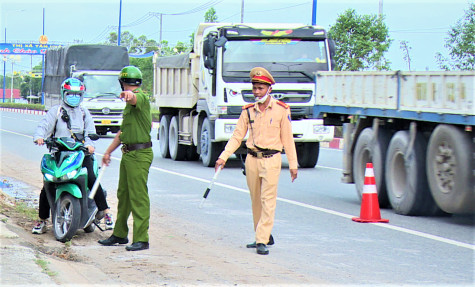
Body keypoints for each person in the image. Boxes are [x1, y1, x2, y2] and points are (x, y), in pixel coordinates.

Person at [215, 67, 298, 255]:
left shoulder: (281, 110)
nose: (257, 92)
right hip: (252, 159)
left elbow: (287, 139)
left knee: (268, 200)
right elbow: (237, 136)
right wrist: (223, 156)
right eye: (255, 88)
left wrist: (293, 164)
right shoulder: (248, 111)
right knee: (256, 201)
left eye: (260, 88)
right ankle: (263, 234)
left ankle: (262, 240)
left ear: (269, 89)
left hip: (272, 159)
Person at [32, 77, 114, 234]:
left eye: (77, 94)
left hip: (80, 154)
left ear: (82, 96)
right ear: (64, 93)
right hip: (59, 154)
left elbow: (91, 133)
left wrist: (90, 145)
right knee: (48, 183)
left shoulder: (84, 113)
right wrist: (39, 137)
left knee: (91, 177)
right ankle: (42, 220)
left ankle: (106, 212)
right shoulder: (55, 111)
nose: (74, 97)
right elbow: (43, 126)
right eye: (70, 93)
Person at [98, 66, 153, 252]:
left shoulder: (141, 99)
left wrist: (129, 95)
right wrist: (108, 152)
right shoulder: (130, 109)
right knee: (124, 195)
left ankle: (141, 239)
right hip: (128, 154)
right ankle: (120, 234)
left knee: (139, 197)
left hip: (140, 155)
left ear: (122, 83)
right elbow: (122, 134)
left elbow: (135, 97)